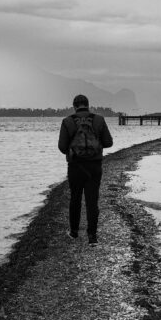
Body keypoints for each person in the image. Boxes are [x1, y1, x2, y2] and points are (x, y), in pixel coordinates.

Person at [58, 94, 113, 244]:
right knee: (92, 201)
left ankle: (74, 232)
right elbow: (109, 143)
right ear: (88, 105)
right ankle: (92, 236)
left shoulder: (67, 121)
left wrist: (74, 149)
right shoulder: (99, 120)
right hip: (94, 166)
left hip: (75, 167)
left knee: (75, 199)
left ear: (74, 106)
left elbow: (62, 147)